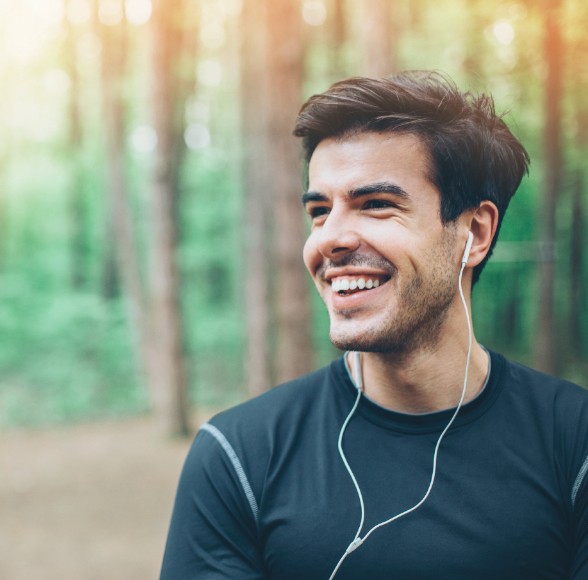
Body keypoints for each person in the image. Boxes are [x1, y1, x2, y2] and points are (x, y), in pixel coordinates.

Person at [160, 71, 588, 579]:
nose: (330, 239)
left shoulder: (574, 442)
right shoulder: (238, 455)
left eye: (377, 205)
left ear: (474, 233)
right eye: (320, 211)